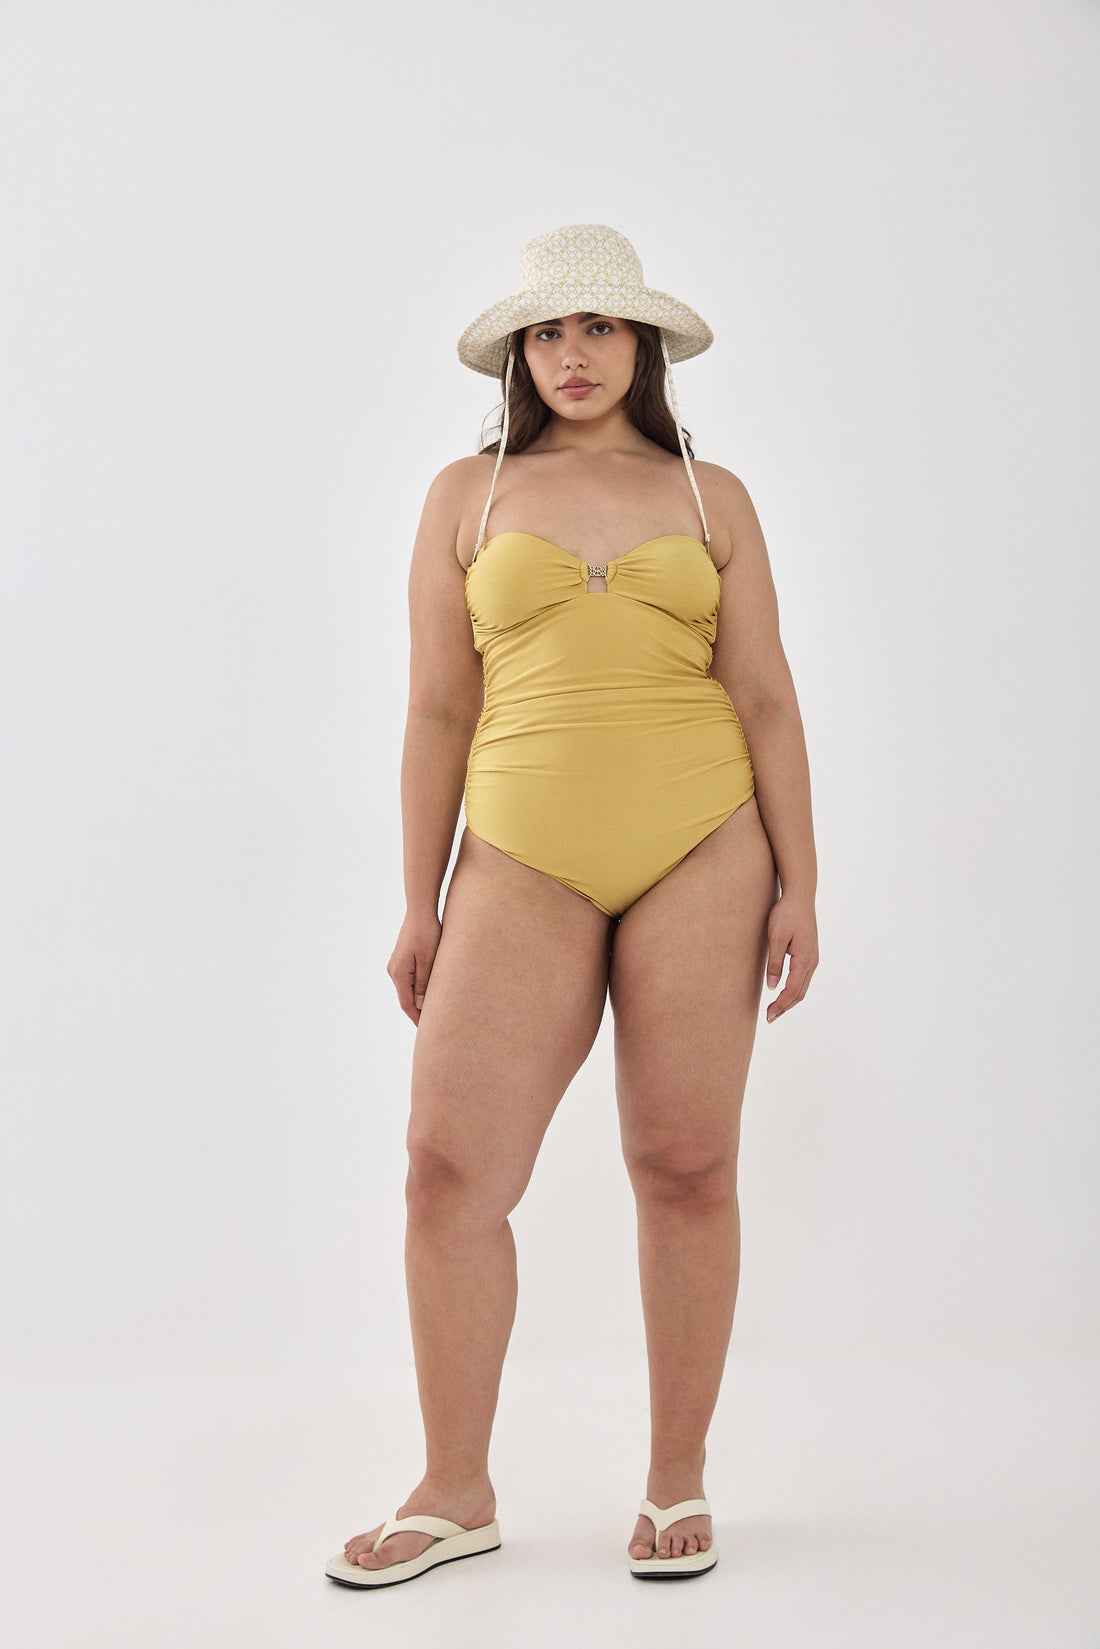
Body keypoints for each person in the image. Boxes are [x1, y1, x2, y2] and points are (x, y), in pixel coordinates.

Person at [325, 223, 818, 1589]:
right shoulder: (465, 494)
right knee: (447, 1169)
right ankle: (453, 1489)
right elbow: (438, 706)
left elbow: (766, 694)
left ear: (642, 346)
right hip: (519, 857)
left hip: (704, 847)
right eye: (549, 331)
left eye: (600, 327)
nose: (574, 352)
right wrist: (417, 899)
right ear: (520, 355)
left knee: (686, 1164)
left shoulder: (713, 495)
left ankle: (676, 1477)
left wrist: (803, 881)